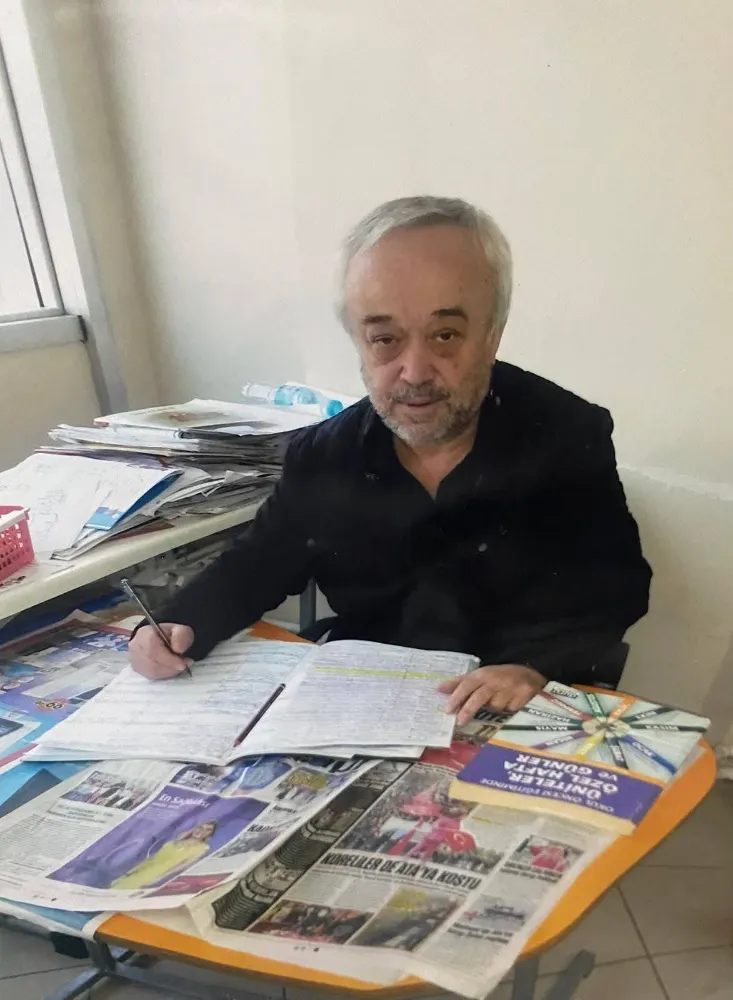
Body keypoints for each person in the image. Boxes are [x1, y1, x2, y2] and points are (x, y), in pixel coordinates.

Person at [129, 196, 651, 719]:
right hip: (365, 704)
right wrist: (178, 623)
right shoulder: (324, 455)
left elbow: (617, 584)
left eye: (445, 335)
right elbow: (256, 564)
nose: (415, 371)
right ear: (358, 342)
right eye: (384, 339)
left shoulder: (564, 434)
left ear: (492, 336)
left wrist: (531, 665)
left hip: (511, 705)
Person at [109, 820, 217, 890]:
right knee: (114, 888)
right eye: (200, 827)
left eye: (207, 830)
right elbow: (153, 857)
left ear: (210, 834)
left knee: (122, 891)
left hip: (154, 874)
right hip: (141, 869)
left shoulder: (202, 848)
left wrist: (160, 878)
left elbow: (183, 866)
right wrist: (129, 872)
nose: (202, 831)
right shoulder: (177, 839)